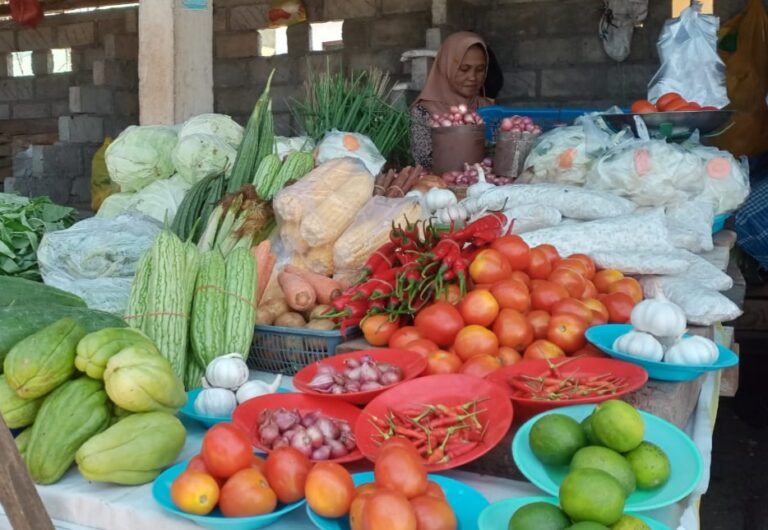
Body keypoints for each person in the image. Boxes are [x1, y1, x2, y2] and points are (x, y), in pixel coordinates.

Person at [410, 32, 494, 169]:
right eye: (464, 69)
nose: (472, 77)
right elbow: (424, 160)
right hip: (440, 186)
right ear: (446, 67)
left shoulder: (488, 108)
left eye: (480, 70)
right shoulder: (424, 111)